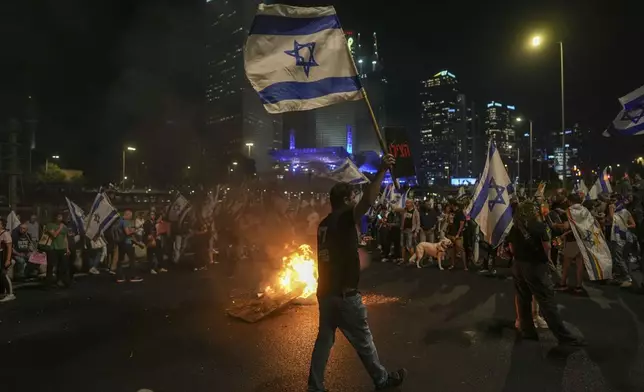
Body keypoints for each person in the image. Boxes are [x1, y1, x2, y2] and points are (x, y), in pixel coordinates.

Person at [308, 153, 406, 392]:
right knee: (364, 341)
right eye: (353, 195)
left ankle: (315, 386)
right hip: (344, 294)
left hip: (326, 293)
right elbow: (368, 203)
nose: (356, 198)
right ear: (345, 199)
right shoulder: (343, 219)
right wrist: (382, 170)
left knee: (324, 340)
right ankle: (382, 380)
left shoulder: (324, 224)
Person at [507, 200, 585, 346]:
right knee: (546, 300)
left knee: (523, 298)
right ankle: (563, 336)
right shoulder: (540, 227)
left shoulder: (515, 227)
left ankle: (527, 331)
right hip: (535, 266)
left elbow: (511, 249)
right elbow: (547, 247)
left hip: (518, 265)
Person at [44, 213, 71, 288]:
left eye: (61, 216)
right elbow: (54, 235)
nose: (60, 218)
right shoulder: (50, 225)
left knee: (63, 265)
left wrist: (67, 248)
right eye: (59, 216)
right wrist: (60, 227)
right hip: (53, 248)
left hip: (62, 248)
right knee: (51, 266)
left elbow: (65, 238)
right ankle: (48, 284)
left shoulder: (64, 226)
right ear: (55, 217)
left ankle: (60, 281)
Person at [116, 209, 143, 283]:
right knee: (132, 260)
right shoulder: (125, 222)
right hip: (127, 243)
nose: (131, 217)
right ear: (127, 215)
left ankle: (119, 277)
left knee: (120, 260)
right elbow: (127, 233)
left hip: (120, 243)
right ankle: (133, 276)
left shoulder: (119, 221)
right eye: (130, 216)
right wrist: (134, 230)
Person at [446, 200, 468, 270]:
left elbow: (461, 225)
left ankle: (465, 266)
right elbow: (449, 223)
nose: (449, 207)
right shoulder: (451, 213)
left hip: (457, 235)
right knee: (452, 250)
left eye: (450, 205)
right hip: (450, 233)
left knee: (461, 250)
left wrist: (458, 234)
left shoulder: (460, 212)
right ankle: (452, 264)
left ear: (453, 205)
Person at [397, 199, 420, 265]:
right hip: (403, 229)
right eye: (406, 203)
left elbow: (418, 222)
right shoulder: (404, 210)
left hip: (410, 230)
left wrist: (416, 231)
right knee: (403, 245)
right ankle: (403, 259)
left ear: (411, 203)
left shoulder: (415, 211)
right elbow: (395, 209)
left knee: (410, 246)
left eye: (408, 203)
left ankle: (413, 260)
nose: (406, 204)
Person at [0, 218, 15, 302]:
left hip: (3, 256)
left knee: (4, 274)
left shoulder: (5, 234)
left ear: (2, 225)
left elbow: (9, 248)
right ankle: (2, 292)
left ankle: (10, 294)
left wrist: (8, 260)